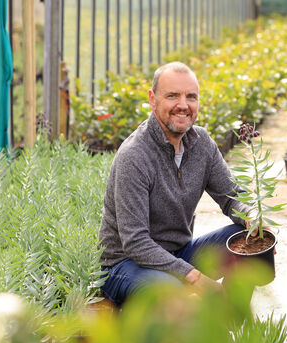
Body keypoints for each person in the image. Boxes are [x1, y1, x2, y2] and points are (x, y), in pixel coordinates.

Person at [98, 61, 251, 307]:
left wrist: (253, 218)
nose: (183, 105)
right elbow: (135, 241)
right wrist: (193, 276)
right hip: (125, 265)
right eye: (172, 96)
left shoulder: (201, 144)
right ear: (152, 99)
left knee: (249, 242)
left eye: (191, 96)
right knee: (168, 288)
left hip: (178, 253)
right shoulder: (134, 156)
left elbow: (232, 196)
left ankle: (230, 319)